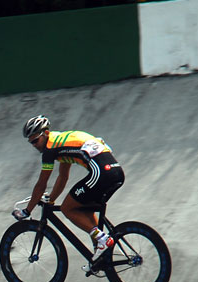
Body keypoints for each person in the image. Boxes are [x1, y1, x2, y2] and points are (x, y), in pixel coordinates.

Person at [13, 115, 125, 272]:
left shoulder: (50, 150)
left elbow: (41, 183)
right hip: (115, 172)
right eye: (30, 142)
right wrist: (50, 201)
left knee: (67, 208)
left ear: (45, 133)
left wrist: (27, 211)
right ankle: (100, 254)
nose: (34, 145)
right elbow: (63, 176)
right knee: (84, 207)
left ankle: (102, 240)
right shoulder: (61, 141)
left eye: (35, 141)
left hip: (102, 174)